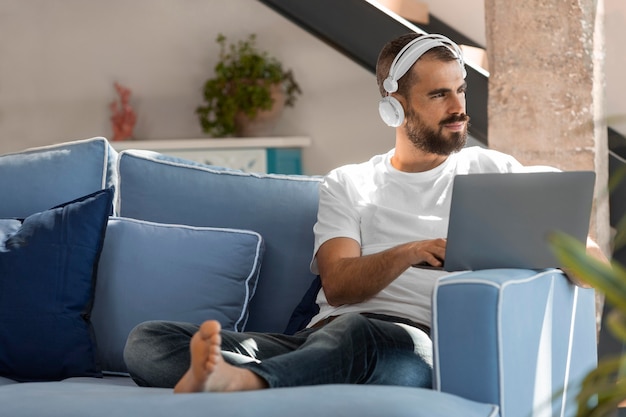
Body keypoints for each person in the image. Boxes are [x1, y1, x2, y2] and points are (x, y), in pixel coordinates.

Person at [123, 32, 603, 393]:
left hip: (412, 347)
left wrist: (572, 256)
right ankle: (252, 372)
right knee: (148, 341)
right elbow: (339, 284)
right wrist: (412, 252)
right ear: (394, 107)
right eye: (439, 95)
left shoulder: (493, 170)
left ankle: (247, 383)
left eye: (460, 90)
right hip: (321, 338)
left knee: (362, 335)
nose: (458, 107)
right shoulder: (350, 182)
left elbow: (593, 264)